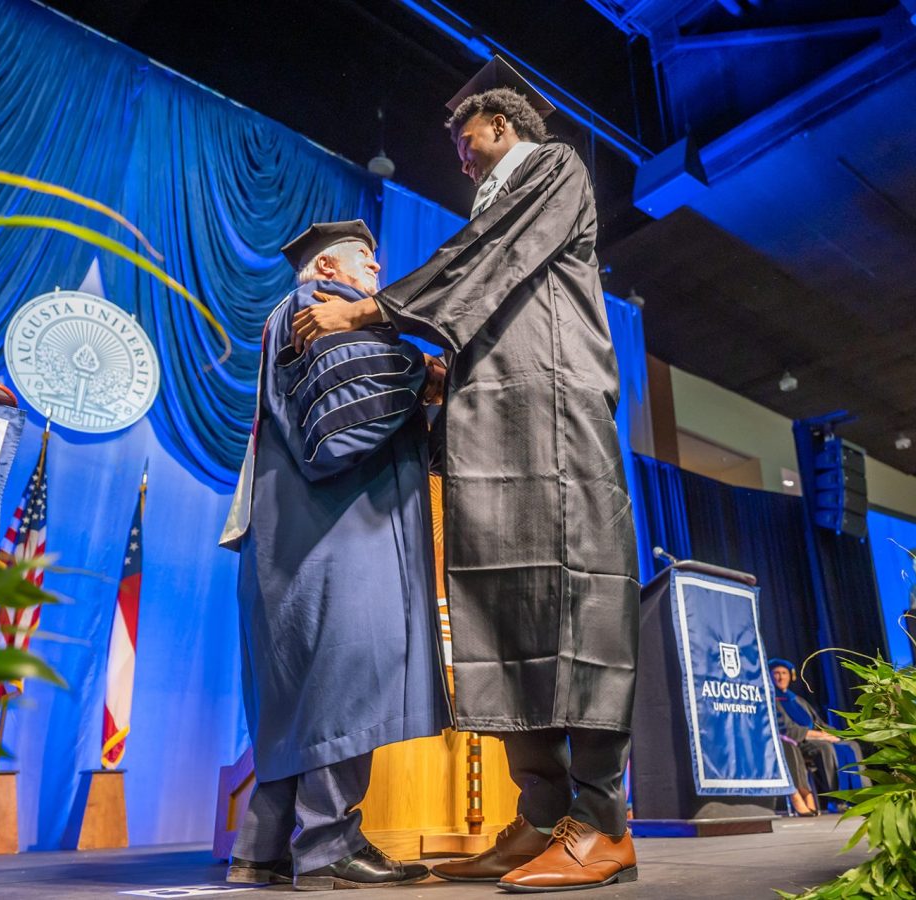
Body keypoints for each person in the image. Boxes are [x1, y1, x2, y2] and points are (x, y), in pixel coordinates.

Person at [291, 58, 640, 893]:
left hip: (552, 416)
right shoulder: (497, 200)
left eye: (464, 135)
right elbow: (491, 293)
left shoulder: (550, 169)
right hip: (494, 425)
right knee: (506, 609)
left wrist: (369, 309)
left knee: (576, 607)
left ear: (501, 124)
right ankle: (544, 812)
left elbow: (489, 258)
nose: (459, 151)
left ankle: (602, 825)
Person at [218, 219, 451, 891]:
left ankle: (261, 851)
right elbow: (340, 432)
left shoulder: (286, 319)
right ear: (326, 271)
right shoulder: (314, 313)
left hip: (296, 533)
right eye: (367, 263)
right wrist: (423, 370)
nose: (377, 274)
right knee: (343, 683)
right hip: (333, 531)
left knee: (297, 695)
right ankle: (328, 847)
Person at [769, 658, 863, 808]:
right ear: (770, 676)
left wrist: (833, 734)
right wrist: (819, 736)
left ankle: (862, 795)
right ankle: (835, 799)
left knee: (851, 746)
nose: (781, 677)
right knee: (825, 747)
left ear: (790, 676)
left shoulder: (798, 700)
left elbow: (818, 722)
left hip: (818, 739)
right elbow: (786, 729)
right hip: (796, 744)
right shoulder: (771, 700)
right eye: (776, 673)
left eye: (784, 673)